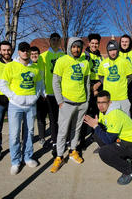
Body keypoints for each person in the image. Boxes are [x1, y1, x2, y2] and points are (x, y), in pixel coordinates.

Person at [0, 42, 45, 175]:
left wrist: (35, 96)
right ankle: (15, 161)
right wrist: (14, 97)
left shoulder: (35, 68)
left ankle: (28, 157)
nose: (25, 52)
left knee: (29, 133)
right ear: (18, 52)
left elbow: (40, 85)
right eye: (22, 50)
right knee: (14, 135)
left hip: (30, 106)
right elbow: (3, 86)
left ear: (30, 52)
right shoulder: (10, 66)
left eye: (27, 50)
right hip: (15, 106)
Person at [84, 90, 132, 185]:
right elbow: (104, 130)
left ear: (109, 102)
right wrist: (97, 125)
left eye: (103, 102)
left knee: (104, 153)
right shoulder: (103, 111)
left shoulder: (115, 114)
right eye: (98, 102)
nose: (100, 105)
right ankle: (122, 158)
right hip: (121, 139)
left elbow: (108, 139)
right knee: (97, 134)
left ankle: (130, 170)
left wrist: (95, 126)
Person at [50, 37, 90, 173]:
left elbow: (87, 83)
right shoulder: (62, 61)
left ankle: (73, 151)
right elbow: (55, 82)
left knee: (76, 130)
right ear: (69, 47)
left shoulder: (85, 62)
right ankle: (59, 156)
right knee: (63, 131)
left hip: (82, 103)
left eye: (78, 47)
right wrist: (60, 101)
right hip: (66, 103)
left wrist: (87, 101)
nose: (76, 49)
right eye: (73, 46)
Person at [40, 33, 65, 156]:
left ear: (60, 41)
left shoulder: (64, 55)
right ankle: (55, 143)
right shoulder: (43, 56)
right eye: (53, 40)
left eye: (57, 40)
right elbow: (40, 75)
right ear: (50, 41)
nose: (55, 41)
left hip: (63, 94)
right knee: (53, 120)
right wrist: (43, 91)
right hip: (50, 94)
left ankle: (64, 141)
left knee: (63, 120)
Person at [98, 40, 132, 115]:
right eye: (110, 50)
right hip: (109, 99)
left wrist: (123, 83)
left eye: (114, 50)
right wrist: (105, 82)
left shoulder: (124, 61)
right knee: (110, 121)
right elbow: (100, 75)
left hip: (122, 98)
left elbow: (131, 75)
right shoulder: (104, 63)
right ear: (108, 51)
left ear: (117, 50)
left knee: (125, 121)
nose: (112, 52)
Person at [79, 33, 103, 149]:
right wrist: (90, 89)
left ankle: (96, 137)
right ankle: (82, 141)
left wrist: (98, 85)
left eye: (96, 43)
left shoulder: (100, 57)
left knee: (97, 114)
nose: (94, 45)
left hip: (98, 86)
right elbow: (81, 75)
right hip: (88, 87)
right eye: (92, 43)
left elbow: (103, 74)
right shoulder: (84, 56)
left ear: (99, 44)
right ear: (89, 43)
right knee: (86, 114)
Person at [29, 46, 48, 147]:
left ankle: (42, 137)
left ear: (39, 54)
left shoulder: (42, 63)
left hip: (41, 96)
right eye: (32, 54)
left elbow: (43, 80)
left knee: (41, 118)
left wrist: (43, 93)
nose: (34, 56)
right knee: (29, 119)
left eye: (36, 54)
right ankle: (26, 138)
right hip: (29, 96)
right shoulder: (27, 65)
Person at [119, 34, 132, 123]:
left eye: (126, 42)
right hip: (120, 86)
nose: (124, 43)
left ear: (130, 43)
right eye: (122, 41)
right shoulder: (117, 54)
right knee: (121, 109)